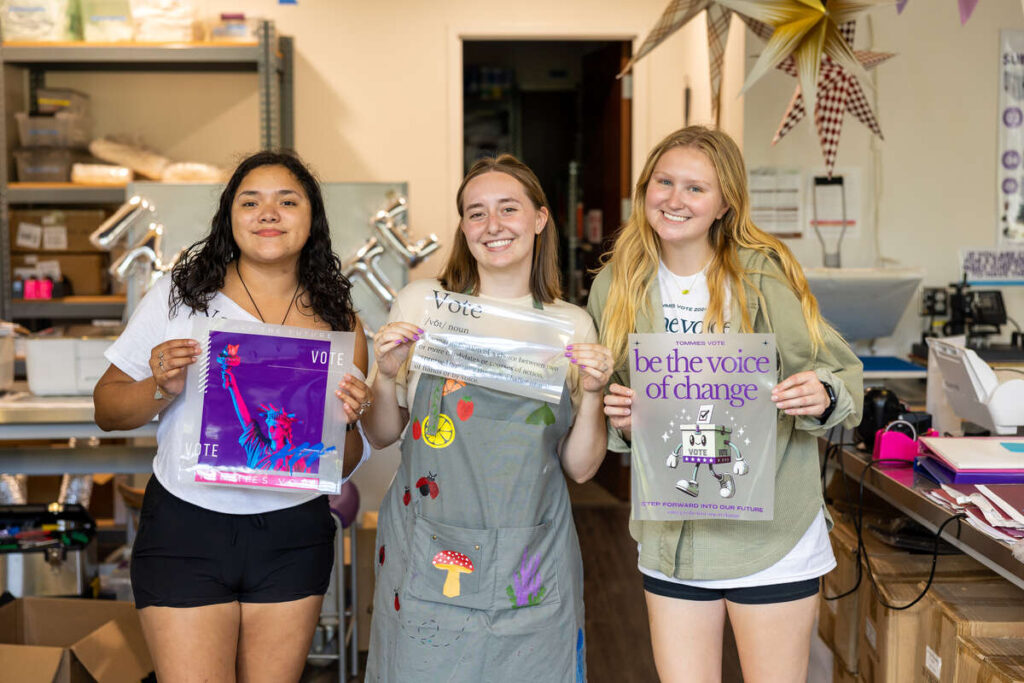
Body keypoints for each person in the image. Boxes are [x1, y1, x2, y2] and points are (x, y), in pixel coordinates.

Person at [587, 126, 863, 683]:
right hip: (675, 536)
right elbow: (615, 409)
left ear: (724, 203)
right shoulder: (617, 284)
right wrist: (618, 415)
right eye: (664, 182)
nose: (674, 199)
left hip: (770, 533)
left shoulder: (761, 276)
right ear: (645, 189)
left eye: (695, 188)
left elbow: (841, 375)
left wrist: (821, 392)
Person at [93, 150, 372, 683]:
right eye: (252, 201)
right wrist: (161, 386)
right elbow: (107, 411)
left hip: (293, 534)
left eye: (287, 201)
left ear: (311, 219)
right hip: (185, 528)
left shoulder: (340, 322)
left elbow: (343, 459)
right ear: (230, 216)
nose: (269, 213)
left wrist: (349, 422)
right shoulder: (181, 298)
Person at [362, 154, 613, 681]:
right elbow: (383, 434)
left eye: (508, 209)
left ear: (540, 218)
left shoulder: (570, 326)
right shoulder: (423, 305)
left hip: (532, 552)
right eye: (476, 213)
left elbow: (583, 468)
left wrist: (592, 395)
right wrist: (385, 376)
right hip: (424, 545)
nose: (492, 226)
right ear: (463, 227)